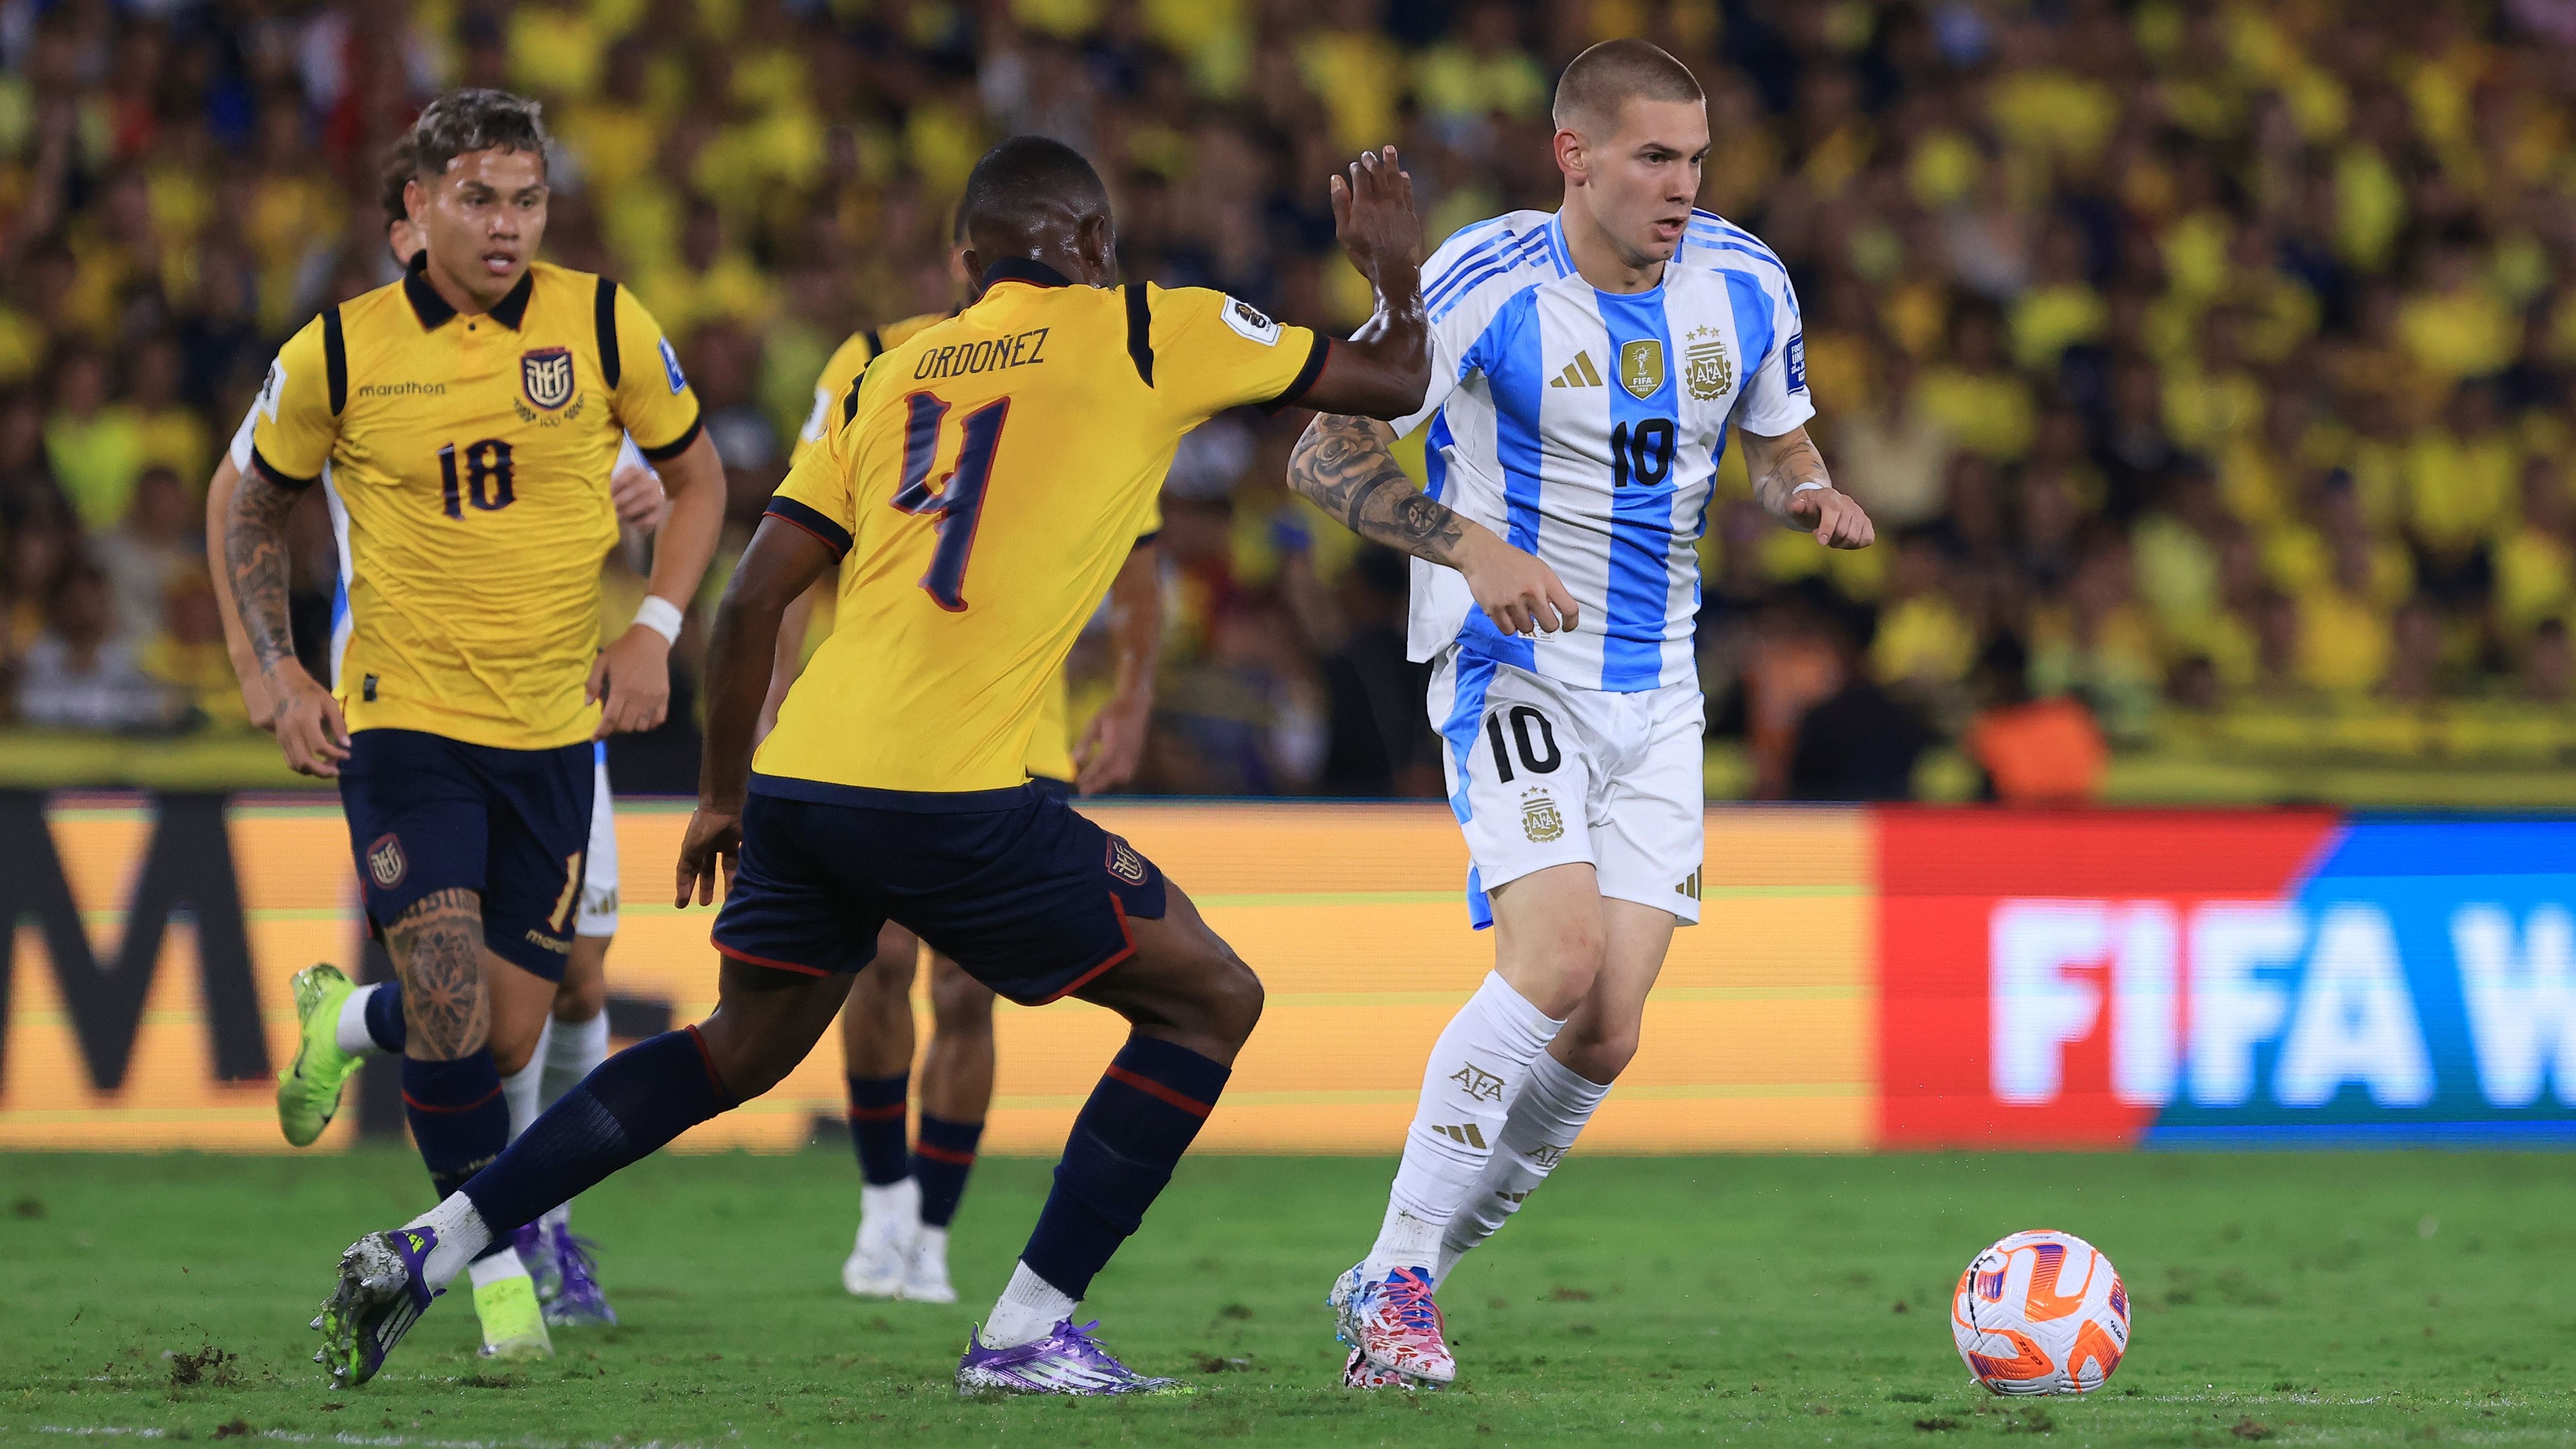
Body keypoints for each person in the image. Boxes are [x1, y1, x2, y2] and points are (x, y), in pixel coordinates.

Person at [307, 132, 1456, 1396]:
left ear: (970, 262)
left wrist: (722, 794)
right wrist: (1392, 274)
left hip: (805, 782)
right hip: (953, 792)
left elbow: (752, 603)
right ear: (1092, 246)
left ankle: (433, 1243)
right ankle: (1023, 1332)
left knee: (735, 1051)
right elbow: (1395, 378)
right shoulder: (1142, 326)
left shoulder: (885, 374)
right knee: (1210, 1000)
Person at [1282, 39, 1875, 1389]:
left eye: (1695, 159)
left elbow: (1776, 437)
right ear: (1575, 155)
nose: (1681, 187)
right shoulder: (1485, 284)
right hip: (1512, 666)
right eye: (1653, 158)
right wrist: (1465, 545)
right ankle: (1403, 1275)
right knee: (1546, 965)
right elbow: (1323, 449)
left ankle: (1405, 1263)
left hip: (1657, 688)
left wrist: (1801, 495)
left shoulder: (1745, 280)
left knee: (1606, 1027)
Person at [222, 90, 726, 1362]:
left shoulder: (604, 322)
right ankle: (494, 1280)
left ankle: (343, 1020)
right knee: (453, 1009)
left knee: (505, 1031)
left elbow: (699, 476)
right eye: (478, 199)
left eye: (527, 199)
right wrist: (279, 671)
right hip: (406, 723)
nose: (507, 226)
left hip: (558, 731)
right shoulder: (336, 353)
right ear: (416, 211)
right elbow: (247, 510)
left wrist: (656, 631)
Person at [776, 234, 1165, 1306]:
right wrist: (774, 698)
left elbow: (1141, 556)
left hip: (1021, 726)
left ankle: (934, 1235)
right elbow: (801, 544)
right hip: (886, 719)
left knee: (969, 990)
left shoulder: (1092, 371)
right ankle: (883, 1200)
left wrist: (1130, 693)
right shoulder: (872, 358)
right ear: (966, 255)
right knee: (883, 964)